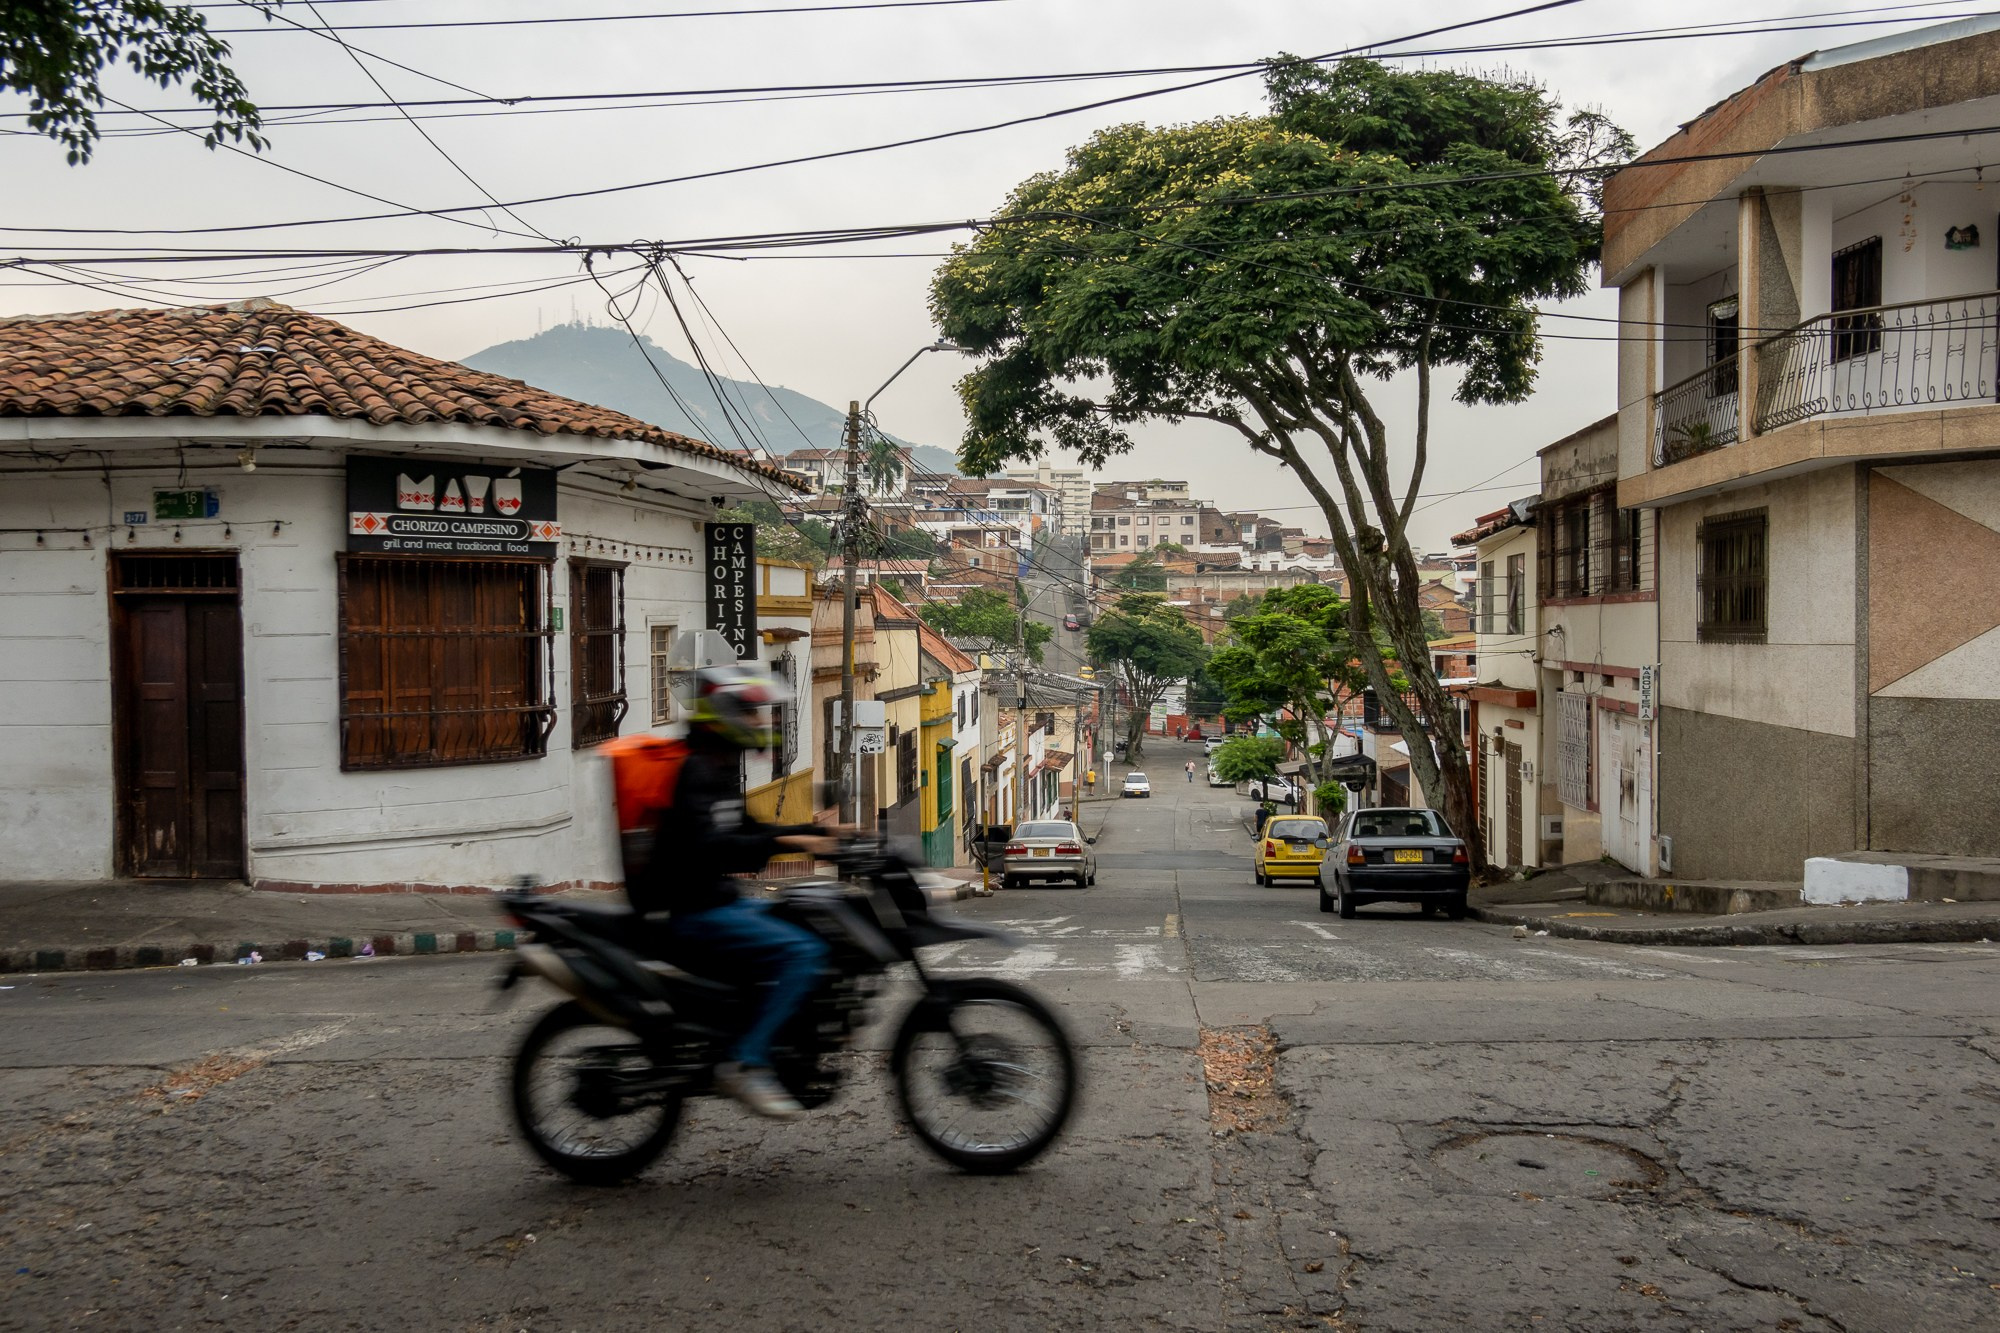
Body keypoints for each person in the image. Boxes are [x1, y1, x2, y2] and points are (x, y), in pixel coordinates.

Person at [629, 664, 841, 1121]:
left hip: (717, 900)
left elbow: (751, 830)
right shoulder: (694, 771)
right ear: (722, 714)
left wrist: (819, 834)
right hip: (692, 911)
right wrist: (787, 842)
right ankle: (747, 1061)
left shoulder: (717, 768)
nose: (758, 723)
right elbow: (713, 849)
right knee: (802, 953)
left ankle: (760, 1033)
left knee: (801, 920)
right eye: (749, 713)